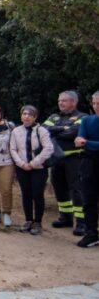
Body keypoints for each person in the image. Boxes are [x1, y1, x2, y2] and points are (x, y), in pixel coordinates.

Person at [44, 90, 87, 236]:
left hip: (74, 159)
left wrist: (56, 132)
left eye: (64, 101)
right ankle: (65, 217)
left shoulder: (82, 117)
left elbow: (74, 133)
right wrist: (64, 127)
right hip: (56, 159)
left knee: (77, 190)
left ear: (73, 102)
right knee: (59, 188)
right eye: (59, 101)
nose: (60, 103)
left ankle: (81, 222)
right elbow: (44, 130)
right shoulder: (54, 116)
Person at [10, 105, 54, 235]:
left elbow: (48, 148)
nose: (26, 116)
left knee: (37, 194)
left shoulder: (42, 131)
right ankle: (28, 220)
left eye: (30, 114)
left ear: (35, 117)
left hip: (38, 168)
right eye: (24, 114)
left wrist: (33, 163)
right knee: (26, 194)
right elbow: (13, 149)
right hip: (22, 167)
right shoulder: (16, 131)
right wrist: (21, 163)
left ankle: (38, 222)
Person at [75, 91, 99, 247]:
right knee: (89, 200)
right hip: (89, 165)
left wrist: (88, 144)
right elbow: (78, 140)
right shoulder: (86, 120)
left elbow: (84, 142)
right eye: (94, 103)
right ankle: (91, 233)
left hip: (89, 156)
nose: (96, 106)